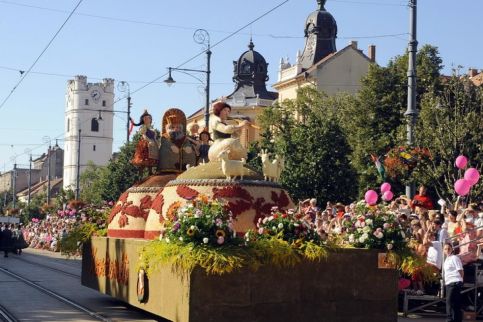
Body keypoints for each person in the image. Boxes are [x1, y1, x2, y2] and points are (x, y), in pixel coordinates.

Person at [157, 108, 197, 172]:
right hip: (168, 164)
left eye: (178, 127)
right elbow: (165, 143)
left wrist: (188, 147)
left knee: (190, 152)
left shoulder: (184, 138)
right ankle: (168, 168)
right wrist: (171, 146)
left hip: (183, 164)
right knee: (167, 151)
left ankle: (189, 168)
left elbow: (187, 143)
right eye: (173, 127)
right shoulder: (165, 137)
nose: (176, 129)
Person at [131, 110, 160, 175]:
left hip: (153, 144)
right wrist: (149, 141)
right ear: (143, 120)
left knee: (152, 157)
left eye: (149, 118)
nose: (147, 119)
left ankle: (150, 170)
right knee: (145, 157)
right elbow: (143, 135)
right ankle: (141, 172)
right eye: (146, 118)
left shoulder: (152, 129)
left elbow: (154, 137)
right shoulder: (143, 127)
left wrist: (157, 143)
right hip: (146, 143)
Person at [443, 242, 463, 322]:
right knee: (455, 303)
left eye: (449, 248)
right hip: (449, 283)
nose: (447, 250)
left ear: (452, 249)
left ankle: (449, 319)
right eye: (445, 249)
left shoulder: (454, 258)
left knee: (449, 302)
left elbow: (461, 270)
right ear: (443, 250)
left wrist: (460, 281)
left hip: (454, 282)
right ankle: (456, 320)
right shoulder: (447, 259)